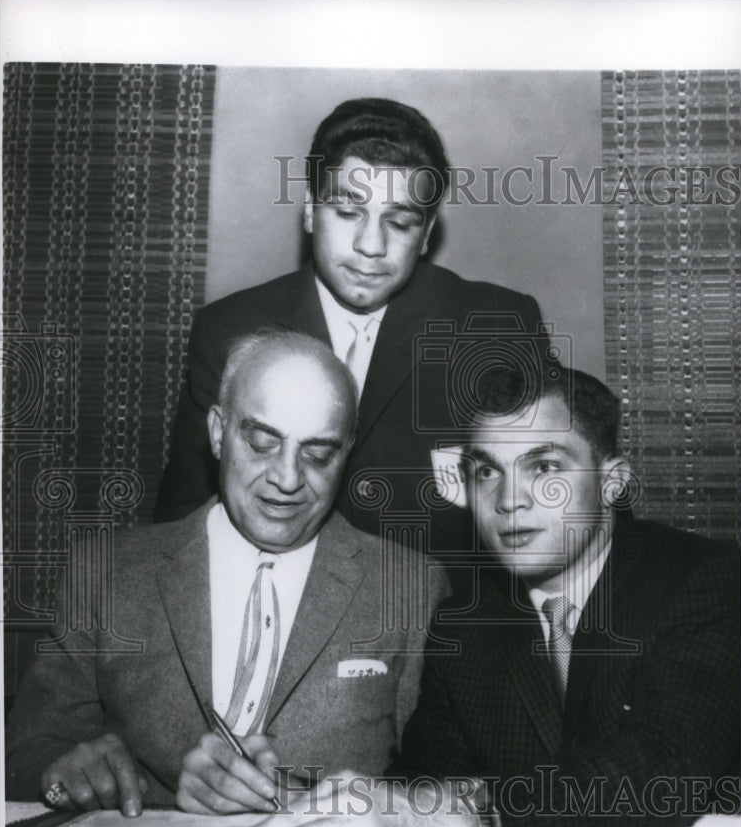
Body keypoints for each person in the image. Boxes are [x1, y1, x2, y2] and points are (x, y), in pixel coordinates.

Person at [230, 364, 741, 827]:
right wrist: (280, 793)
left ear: (613, 482)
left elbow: (669, 771)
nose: (508, 501)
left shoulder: (709, 579)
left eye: (544, 467)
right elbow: (418, 792)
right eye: (486, 472)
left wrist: (473, 810)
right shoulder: (465, 626)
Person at [6, 331, 448, 816]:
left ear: (347, 452)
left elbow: (437, 792)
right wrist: (60, 775)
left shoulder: (411, 589)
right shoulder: (106, 572)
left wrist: (307, 804)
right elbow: (25, 757)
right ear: (218, 432)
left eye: (318, 455)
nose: (287, 478)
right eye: (261, 443)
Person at [154, 97, 552, 563]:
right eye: (347, 214)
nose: (371, 245)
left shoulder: (496, 326)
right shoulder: (227, 328)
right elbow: (181, 526)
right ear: (308, 212)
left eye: (399, 223)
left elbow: (557, 503)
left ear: (425, 237)